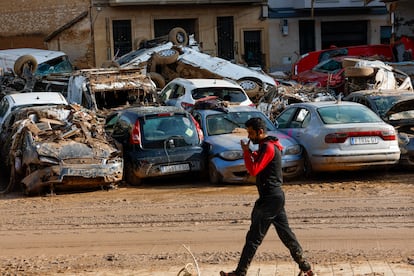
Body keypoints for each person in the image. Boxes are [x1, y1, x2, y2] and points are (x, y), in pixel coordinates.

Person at [220, 117, 315, 276]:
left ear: (260, 132)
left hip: (270, 199)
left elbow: (254, 169)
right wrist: (249, 152)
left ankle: (240, 272)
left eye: (251, 133)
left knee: (253, 238)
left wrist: (245, 153)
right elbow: (257, 159)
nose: (249, 137)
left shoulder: (269, 147)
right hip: (273, 198)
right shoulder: (265, 146)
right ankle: (307, 269)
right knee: (286, 235)